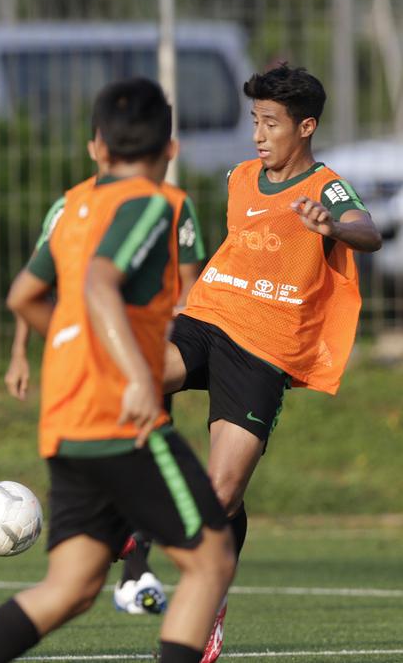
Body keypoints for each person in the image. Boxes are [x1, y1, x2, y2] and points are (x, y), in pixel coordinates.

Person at [0, 78, 235, 663]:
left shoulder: (75, 205)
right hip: (120, 417)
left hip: (66, 422)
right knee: (210, 560)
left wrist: (74, 339)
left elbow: (23, 296)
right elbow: (100, 282)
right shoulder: (152, 202)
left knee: (72, 587)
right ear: (171, 150)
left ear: (100, 146)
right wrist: (136, 374)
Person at [153, 64, 381, 662]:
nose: (259, 133)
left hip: (264, 347)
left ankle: (210, 605)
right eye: (255, 120)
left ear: (305, 126)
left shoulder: (327, 186)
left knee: (222, 494)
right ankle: (142, 484)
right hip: (209, 316)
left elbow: (367, 228)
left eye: (272, 123)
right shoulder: (239, 176)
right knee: (135, 372)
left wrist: (333, 225)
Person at [3, 147, 210, 617]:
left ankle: (135, 570)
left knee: (71, 589)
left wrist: (178, 331)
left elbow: (189, 281)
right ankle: (122, 555)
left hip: (135, 362)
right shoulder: (84, 207)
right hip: (109, 371)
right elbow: (45, 284)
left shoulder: (170, 206)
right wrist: (21, 353)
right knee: (209, 555)